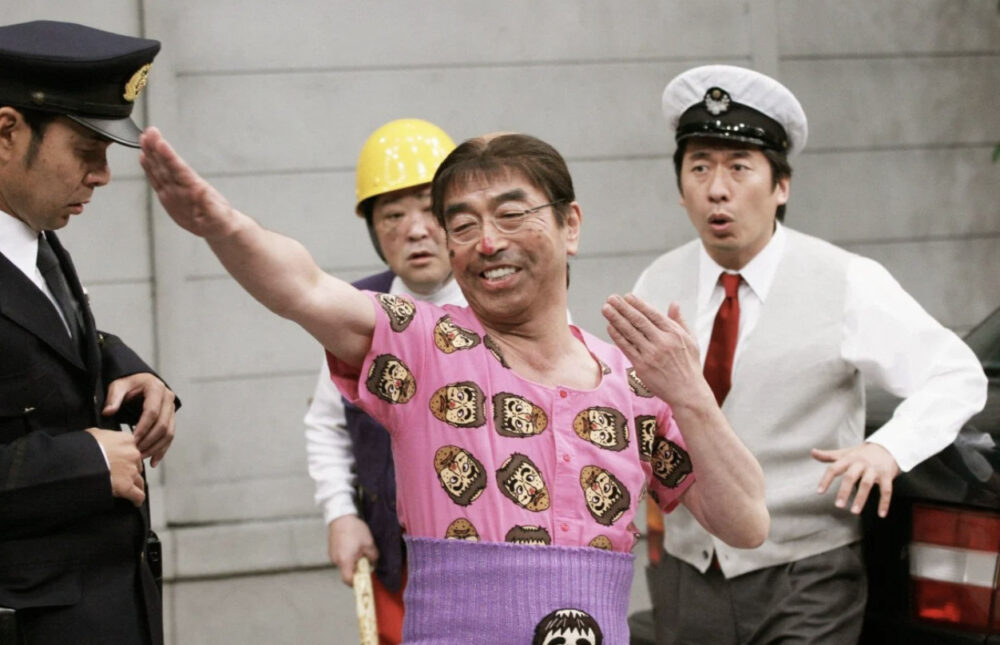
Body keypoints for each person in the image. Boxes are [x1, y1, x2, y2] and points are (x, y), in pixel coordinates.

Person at [139, 126, 769, 644]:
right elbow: (303, 288)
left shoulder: (636, 383)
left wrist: (690, 395)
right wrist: (222, 225)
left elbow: (745, 523)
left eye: (512, 215)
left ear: (570, 225)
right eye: (463, 227)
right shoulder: (422, 346)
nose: (487, 242)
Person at [636, 64, 988, 644]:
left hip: (805, 574)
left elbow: (954, 374)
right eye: (699, 167)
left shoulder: (845, 280)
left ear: (782, 186)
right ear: (680, 188)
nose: (717, 188)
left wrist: (889, 448)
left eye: (739, 167)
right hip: (685, 572)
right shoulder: (657, 281)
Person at [0, 20, 179, 645]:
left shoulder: (33, 237)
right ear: (7, 131)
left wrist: (123, 367)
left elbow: (39, 338)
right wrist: (85, 462)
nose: (102, 175)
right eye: (86, 150)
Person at [304, 118, 464, 644]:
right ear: (374, 231)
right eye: (393, 215)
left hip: (494, 562)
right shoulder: (356, 312)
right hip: (397, 563)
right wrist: (341, 515)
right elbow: (326, 424)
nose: (415, 230)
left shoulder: (505, 303)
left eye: (430, 209)